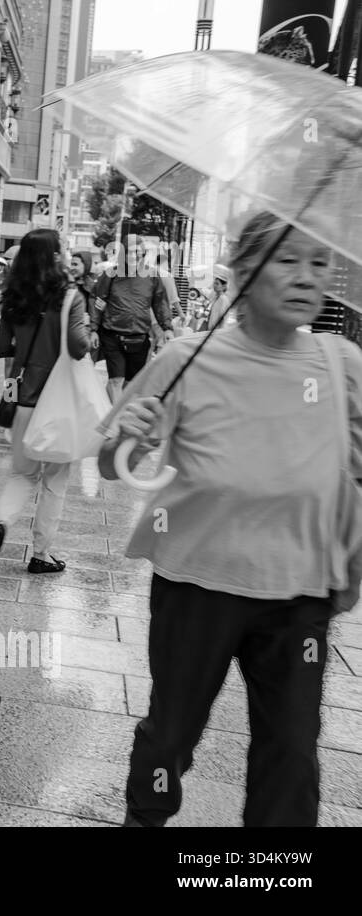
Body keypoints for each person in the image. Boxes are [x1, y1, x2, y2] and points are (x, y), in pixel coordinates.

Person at [102, 212, 353, 827]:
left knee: (292, 748)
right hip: (198, 584)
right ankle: (146, 817)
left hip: (300, 590)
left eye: (319, 264)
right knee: (173, 733)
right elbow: (113, 464)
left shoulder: (341, 363)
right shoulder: (190, 358)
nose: (305, 277)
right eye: (287, 260)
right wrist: (124, 436)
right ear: (243, 272)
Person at [0, 229, 90, 576]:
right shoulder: (71, 296)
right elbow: (77, 346)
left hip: (23, 399)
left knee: (21, 474)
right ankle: (42, 554)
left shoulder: (13, 296)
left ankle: (2, 522)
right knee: (54, 481)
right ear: (55, 255)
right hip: (57, 405)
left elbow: (0, 347)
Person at [91, 240, 173, 403]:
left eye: (138, 252)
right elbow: (97, 299)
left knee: (130, 385)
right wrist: (93, 328)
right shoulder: (110, 275)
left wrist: (167, 328)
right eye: (130, 252)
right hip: (112, 335)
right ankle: (114, 420)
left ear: (143, 255)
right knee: (116, 380)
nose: (134, 256)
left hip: (139, 338)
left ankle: (113, 410)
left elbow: (160, 302)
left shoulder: (152, 277)